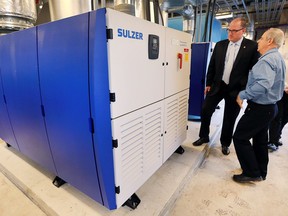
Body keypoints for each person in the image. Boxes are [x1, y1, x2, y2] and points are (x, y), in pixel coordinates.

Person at [192, 17, 259, 156]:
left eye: (234, 31)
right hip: (218, 85)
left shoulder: (252, 47)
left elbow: (254, 70)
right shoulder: (221, 45)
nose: (230, 33)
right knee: (206, 109)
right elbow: (212, 66)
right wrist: (209, 83)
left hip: (236, 89)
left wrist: (245, 90)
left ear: (243, 31)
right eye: (229, 30)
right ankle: (204, 135)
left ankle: (225, 143)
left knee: (230, 118)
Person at [232, 28, 286, 183]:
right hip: (270, 107)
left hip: (260, 108)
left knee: (240, 137)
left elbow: (263, 86)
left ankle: (251, 172)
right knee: (260, 140)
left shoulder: (266, 60)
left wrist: (242, 94)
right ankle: (260, 171)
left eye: (261, 38)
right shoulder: (278, 58)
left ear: (270, 41)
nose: (258, 41)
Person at [267, 71, 288, 151]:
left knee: (285, 118)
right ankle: (272, 141)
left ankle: (277, 136)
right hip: (281, 91)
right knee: (277, 117)